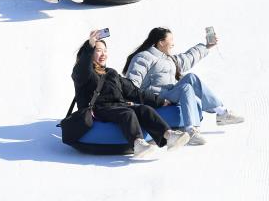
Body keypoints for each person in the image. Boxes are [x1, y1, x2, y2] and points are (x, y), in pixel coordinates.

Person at [72, 30, 190, 158]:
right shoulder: (83, 74)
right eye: (99, 50)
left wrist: (160, 101)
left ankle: (169, 135)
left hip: (116, 107)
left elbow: (134, 91)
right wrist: (89, 46)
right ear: (90, 53)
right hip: (96, 109)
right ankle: (137, 143)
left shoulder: (111, 73)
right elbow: (82, 67)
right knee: (127, 113)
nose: (103, 54)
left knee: (144, 109)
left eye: (105, 50)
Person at [124, 27, 244, 146]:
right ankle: (191, 130)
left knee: (191, 77)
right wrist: (132, 102)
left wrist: (206, 46)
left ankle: (221, 112)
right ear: (161, 42)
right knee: (185, 88)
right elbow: (132, 82)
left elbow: (188, 58)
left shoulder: (169, 58)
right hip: (155, 98)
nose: (173, 43)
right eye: (170, 40)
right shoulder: (143, 57)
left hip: (169, 94)